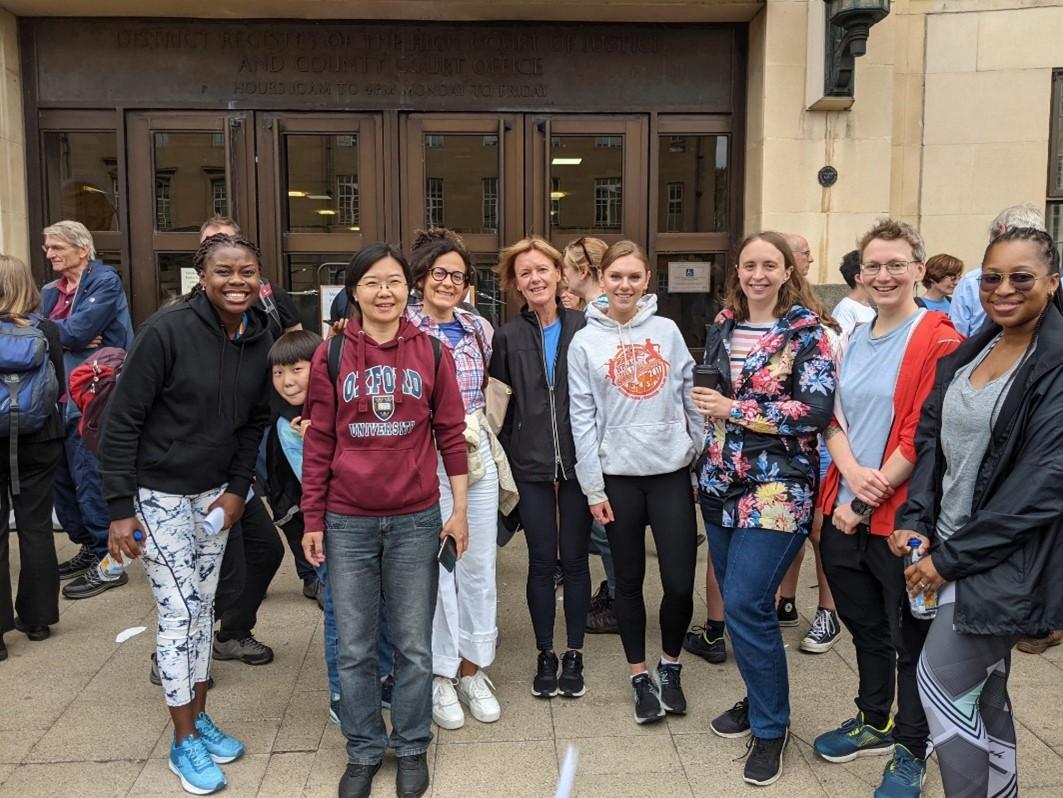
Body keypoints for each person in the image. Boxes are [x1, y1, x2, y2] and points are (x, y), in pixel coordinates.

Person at [99, 232, 272, 795]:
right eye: (225, 271)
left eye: (246, 271)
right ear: (203, 275)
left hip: (215, 496)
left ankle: (197, 718)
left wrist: (238, 490)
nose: (237, 281)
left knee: (203, 611)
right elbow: (121, 421)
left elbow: (253, 423)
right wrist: (120, 508)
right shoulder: (165, 331)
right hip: (158, 496)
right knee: (179, 615)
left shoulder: (259, 334)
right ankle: (182, 742)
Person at [894, 225, 1063, 798]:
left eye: (1022, 277)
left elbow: (1041, 488)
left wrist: (949, 561)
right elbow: (932, 441)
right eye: (992, 277)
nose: (1004, 289)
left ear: (1053, 282)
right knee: (985, 695)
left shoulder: (1055, 364)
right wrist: (917, 523)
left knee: (938, 686)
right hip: (947, 547)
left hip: (1001, 561)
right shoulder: (979, 346)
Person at [300, 243, 468, 798]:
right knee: (354, 645)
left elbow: (450, 435)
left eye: (394, 281)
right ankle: (365, 749)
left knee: (414, 644)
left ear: (408, 289)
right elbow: (320, 440)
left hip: (416, 520)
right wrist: (312, 518)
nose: (385, 291)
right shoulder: (331, 356)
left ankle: (413, 745)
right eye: (372, 282)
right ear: (354, 292)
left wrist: (460, 510)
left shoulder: (433, 354)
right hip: (347, 520)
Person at [814, 219, 963, 798]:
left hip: (900, 521)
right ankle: (873, 717)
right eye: (873, 265)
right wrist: (849, 480)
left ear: (919, 270)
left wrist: (863, 496)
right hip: (846, 506)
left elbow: (923, 429)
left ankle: (911, 744)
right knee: (866, 626)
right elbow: (832, 413)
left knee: (910, 637)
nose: (883, 275)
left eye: (896, 264)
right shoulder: (851, 336)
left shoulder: (938, 337)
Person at [697, 231, 835, 786]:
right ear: (739, 270)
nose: (758, 273)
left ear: (787, 272)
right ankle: (757, 700)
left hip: (777, 487)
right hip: (718, 481)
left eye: (769, 265)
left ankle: (772, 727)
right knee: (738, 605)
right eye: (749, 264)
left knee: (748, 602)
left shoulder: (809, 335)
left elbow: (814, 410)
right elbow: (709, 404)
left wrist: (736, 408)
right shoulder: (722, 327)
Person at [568, 240, 701, 724]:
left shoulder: (666, 331)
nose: (625, 285)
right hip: (617, 481)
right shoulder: (585, 341)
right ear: (601, 280)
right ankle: (640, 676)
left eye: (634, 277)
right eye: (616, 276)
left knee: (680, 584)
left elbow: (689, 393)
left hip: (668, 475)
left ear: (647, 282)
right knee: (628, 584)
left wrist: (698, 450)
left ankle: (670, 666)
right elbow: (581, 418)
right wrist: (593, 488)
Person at [406, 228, 504, 731]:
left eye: (458, 276)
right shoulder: (401, 326)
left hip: (475, 453)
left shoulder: (478, 327)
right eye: (439, 273)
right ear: (420, 277)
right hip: (422, 456)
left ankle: (473, 668)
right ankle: (440, 675)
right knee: (437, 567)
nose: (448, 282)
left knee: (478, 563)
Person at [488, 237, 593, 700]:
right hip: (528, 465)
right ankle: (545, 654)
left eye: (542, 270)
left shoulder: (587, 327)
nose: (535, 278)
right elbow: (498, 406)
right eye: (524, 272)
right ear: (515, 283)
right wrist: (507, 458)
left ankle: (574, 653)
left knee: (573, 559)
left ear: (559, 275)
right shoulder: (506, 336)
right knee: (539, 560)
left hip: (577, 463)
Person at [39, 220, 134, 600]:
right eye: (47, 248)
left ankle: (106, 559)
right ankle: (85, 544)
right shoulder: (50, 291)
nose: (49, 255)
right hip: (56, 396)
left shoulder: (104, 281)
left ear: (82, 249)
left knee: (89, 475)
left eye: (56, 247)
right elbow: (39, 330)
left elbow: (77, 334)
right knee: (62, 478)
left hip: (92, 397)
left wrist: (54, 334)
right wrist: (56, 331)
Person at [264, 328, 347, 726]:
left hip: (355, 525)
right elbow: (319, 481)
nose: (288, 381)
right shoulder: (289, 425)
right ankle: (340, 693)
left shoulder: (335, 407)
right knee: (337, 612)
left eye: (297, 369)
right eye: (279, 373)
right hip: (324, 530)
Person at [0, 255, 64, 657]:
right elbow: (57, 387)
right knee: (36, 525)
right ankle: (38, 619)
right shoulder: (46, 330)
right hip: (40, 437)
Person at [559, 236, 621, 637]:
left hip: (602, 439)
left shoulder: (596, 318)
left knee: (606, 527)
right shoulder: (601, 311)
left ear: (583, 272)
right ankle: (616, 593)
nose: (563, 277)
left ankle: (618, 600)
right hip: (606, 437)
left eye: (565, 268)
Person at [949, 203, 1045, 338]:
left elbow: (956, 337)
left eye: (1023, 278)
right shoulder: (971, 282)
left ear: (1002, 232)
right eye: (991, 280)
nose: (1003, 291)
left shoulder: (971, 282)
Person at [831, 250, 876, 337]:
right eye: (872, 269)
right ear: (859, 278)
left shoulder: (869, 308)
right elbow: (841, 344)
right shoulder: (845, 309)